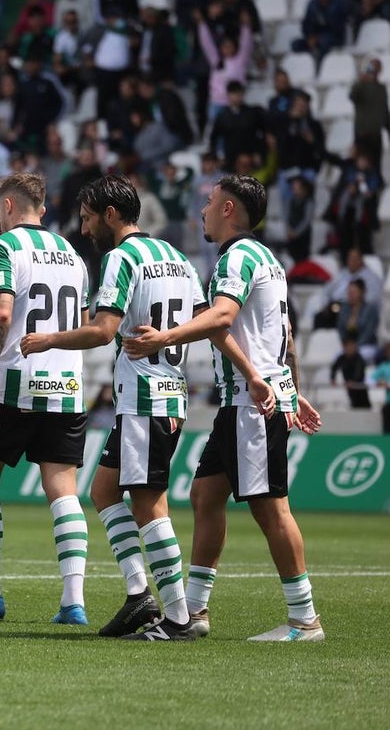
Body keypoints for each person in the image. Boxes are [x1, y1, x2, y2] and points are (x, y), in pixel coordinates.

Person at [124, 174, 326, 642]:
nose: (203, 209)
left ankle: (305, 618)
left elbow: (222, 318)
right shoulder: (267, 259)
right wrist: (290, 384)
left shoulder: (236, 257)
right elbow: (283, 332)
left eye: (211, 201)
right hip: (254, 394)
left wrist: (166, 337)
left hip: (250, 401)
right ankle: (193, 612)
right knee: (206, 495)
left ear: (230, 208)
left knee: (271, 509)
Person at [20, 174, 213, 640]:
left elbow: (103, 330)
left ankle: (179, 618)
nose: (84, 230)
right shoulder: (176, 257)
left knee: (149, 505)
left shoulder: (120, 258)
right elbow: (207, 318)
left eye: (87, 219)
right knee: (104, 491)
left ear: (110, 215)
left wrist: (47, 339)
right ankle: (138, 595)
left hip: (146, 397)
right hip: (164, 394)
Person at [0, 172, 92, 626]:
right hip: (67, 383)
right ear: (44, 209)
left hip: (13, 382)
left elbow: (5, 310)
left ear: (8, 208)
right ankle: (73, 602)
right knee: (64, 492)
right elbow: (80, 320)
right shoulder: (72, 253)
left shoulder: (4, 247)